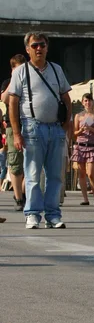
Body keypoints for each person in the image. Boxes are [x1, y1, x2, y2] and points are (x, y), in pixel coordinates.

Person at [8, 33, 72, 229]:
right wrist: (17, 133)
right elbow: (13, 102)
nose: (38, 48)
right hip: (32, 127)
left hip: (55, 129)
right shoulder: (21, 72)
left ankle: (53, 215)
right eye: (34, 45)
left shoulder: (56, 69)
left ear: (47, 47)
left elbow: (66, 98)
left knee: (54, 176)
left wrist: (65, 126)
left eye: (42, 45)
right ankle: (33, 214)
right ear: (27, 49)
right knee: (33, 174)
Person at [1, 54, 27, 211]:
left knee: (32, 162)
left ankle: (24, 192)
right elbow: (4, 99)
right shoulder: (7, 83)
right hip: (12, 126)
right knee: (15, 161)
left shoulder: (29, 83)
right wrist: (13, 81)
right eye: (18, 68)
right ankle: (18, 198)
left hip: (29, 123)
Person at [72, 94, 94, 206]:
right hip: (80, 146)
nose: (88, 103)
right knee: (81, 173)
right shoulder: (78, 116)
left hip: (92, 146)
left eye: (89, 100)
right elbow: (74, 133)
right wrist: (81, 130)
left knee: (90, 173)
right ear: (82, 102)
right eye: (85, 101)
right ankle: (85, 199)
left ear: (92, 102)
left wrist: (90, 128)